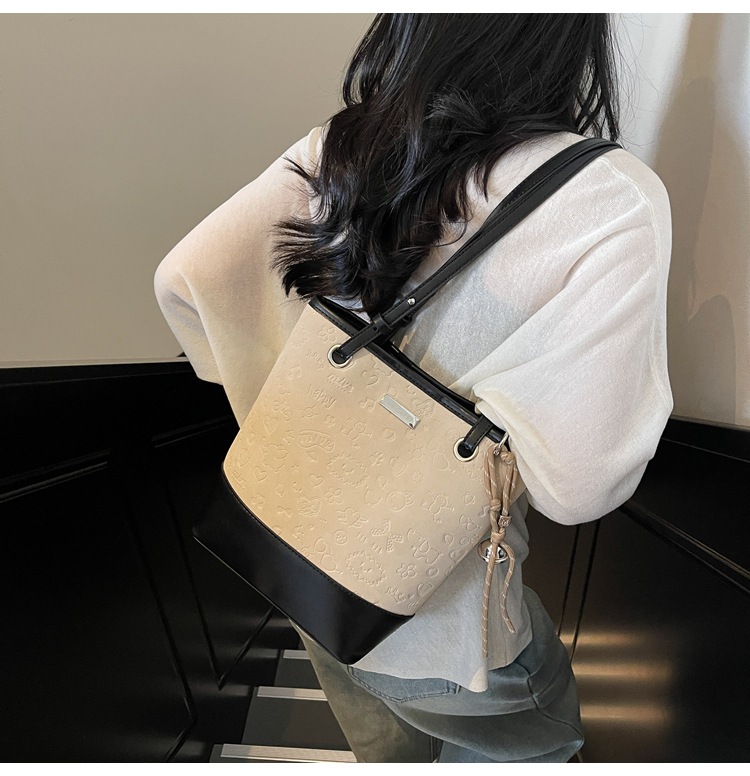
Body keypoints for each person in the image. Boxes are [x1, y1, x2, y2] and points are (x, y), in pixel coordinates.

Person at [154, 13, 672, 763]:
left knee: (384, 750)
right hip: (448, 631)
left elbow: (182, 281)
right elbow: (578, 489)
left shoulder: (344, 143)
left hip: (307, 573)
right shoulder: (611, 199)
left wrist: (300, 400)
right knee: (538, 732)